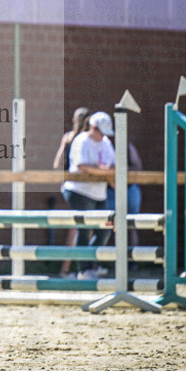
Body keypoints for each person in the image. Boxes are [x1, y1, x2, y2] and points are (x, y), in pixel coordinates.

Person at [62, 111, 116, 280]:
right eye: (100, 132)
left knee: (105, 230)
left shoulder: (106, 142)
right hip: (79, 191)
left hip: (99, 193)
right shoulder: (81, 140)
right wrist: (103, 171)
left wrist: (101, 172)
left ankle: (91, 263)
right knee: (84, 230)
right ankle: (83, 269)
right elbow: (82, 165)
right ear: (93, 127)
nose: (103, 136)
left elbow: (114, 166)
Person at [53, 107, 90, 277]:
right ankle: (76, 268)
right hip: (81, 187)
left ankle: (76, 268)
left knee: (79, 227)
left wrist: (65, 178)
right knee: (81, 227)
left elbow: (58, 163)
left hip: (70, 185)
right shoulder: (85, 138)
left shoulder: (68, 136)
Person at [105, 140, 144, 274]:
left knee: (131, 225)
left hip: (129, 188)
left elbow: (137, 167)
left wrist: (122, 169)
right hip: (110, 189)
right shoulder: (103, 146)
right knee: (108, 224)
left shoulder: (127, 146)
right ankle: (110, 260)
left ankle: (132, 261)